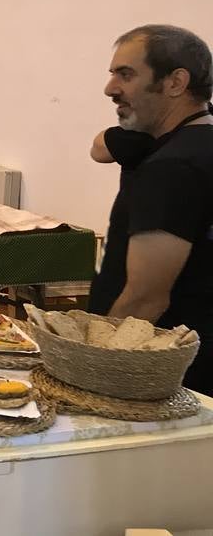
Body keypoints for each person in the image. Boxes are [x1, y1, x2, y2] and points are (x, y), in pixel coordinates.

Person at [88, 25, 213, 394]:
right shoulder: (194, 141)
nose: (110, 88)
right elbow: (101, 148)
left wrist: (95, 371)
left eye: (125, 74)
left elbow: (146, 298)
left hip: (160, 375)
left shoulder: (173, 167)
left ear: (175, 82)